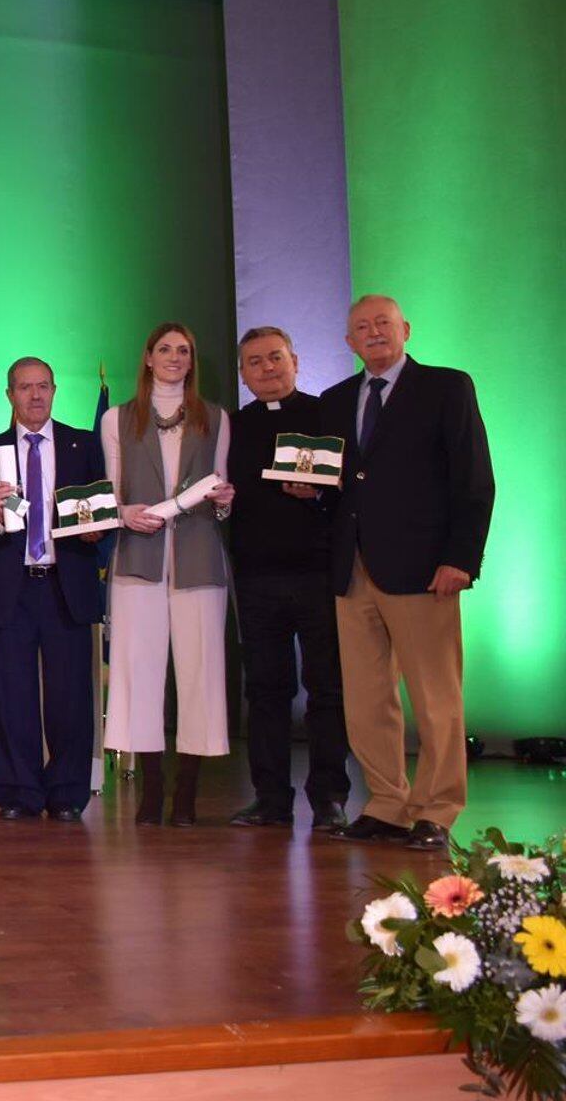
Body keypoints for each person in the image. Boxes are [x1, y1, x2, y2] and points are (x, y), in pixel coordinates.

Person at [322, 295, 493, 854]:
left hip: (425, 569)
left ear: (406, 330)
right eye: (361, 327)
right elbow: (342, 481)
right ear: (349, 342)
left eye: (383, 324)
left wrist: (461, 558)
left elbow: (473, 478)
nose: (373, 333)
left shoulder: (447, 387)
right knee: (367, 699)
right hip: (354, 569)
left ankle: (437, 809)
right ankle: (388, 804)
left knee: (435, 697)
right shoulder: (337, 398)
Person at [100, 322, 235, 826]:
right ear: (148, 357)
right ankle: (150, 790)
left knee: (200, 674)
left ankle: (187, 795)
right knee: (139, 672)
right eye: (166, 349)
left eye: (185, 350)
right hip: (139, 558)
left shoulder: (215, 418)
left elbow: (221, 492)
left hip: (199, 561)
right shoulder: (118, 419)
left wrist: (224, 502)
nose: (175, 357)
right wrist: (123, 513)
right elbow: (111, 495)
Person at [0, 357, 106, 823]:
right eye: (25, 388)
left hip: (67, 585)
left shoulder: (84, 444)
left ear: (55, 389)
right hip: (13, 588)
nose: (35, 395)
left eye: (43, 385)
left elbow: (102, 510)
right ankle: (18, 792)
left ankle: (67, 793)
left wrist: (96, 531)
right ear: (10, 395)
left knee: (70, 697)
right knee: (12, 695)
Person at [227, 327, 348, 832]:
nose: (268, 369)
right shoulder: (232, 427)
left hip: (318, 573)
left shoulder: (328, 414)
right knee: (267, 691)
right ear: (243, 374)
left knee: (326, 690)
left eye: (276, 358)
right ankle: (271, 798)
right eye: (255, 362)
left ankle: (329, 799)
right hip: (256, 578)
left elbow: (350, 494)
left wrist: (321, 492)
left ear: (295, 361)